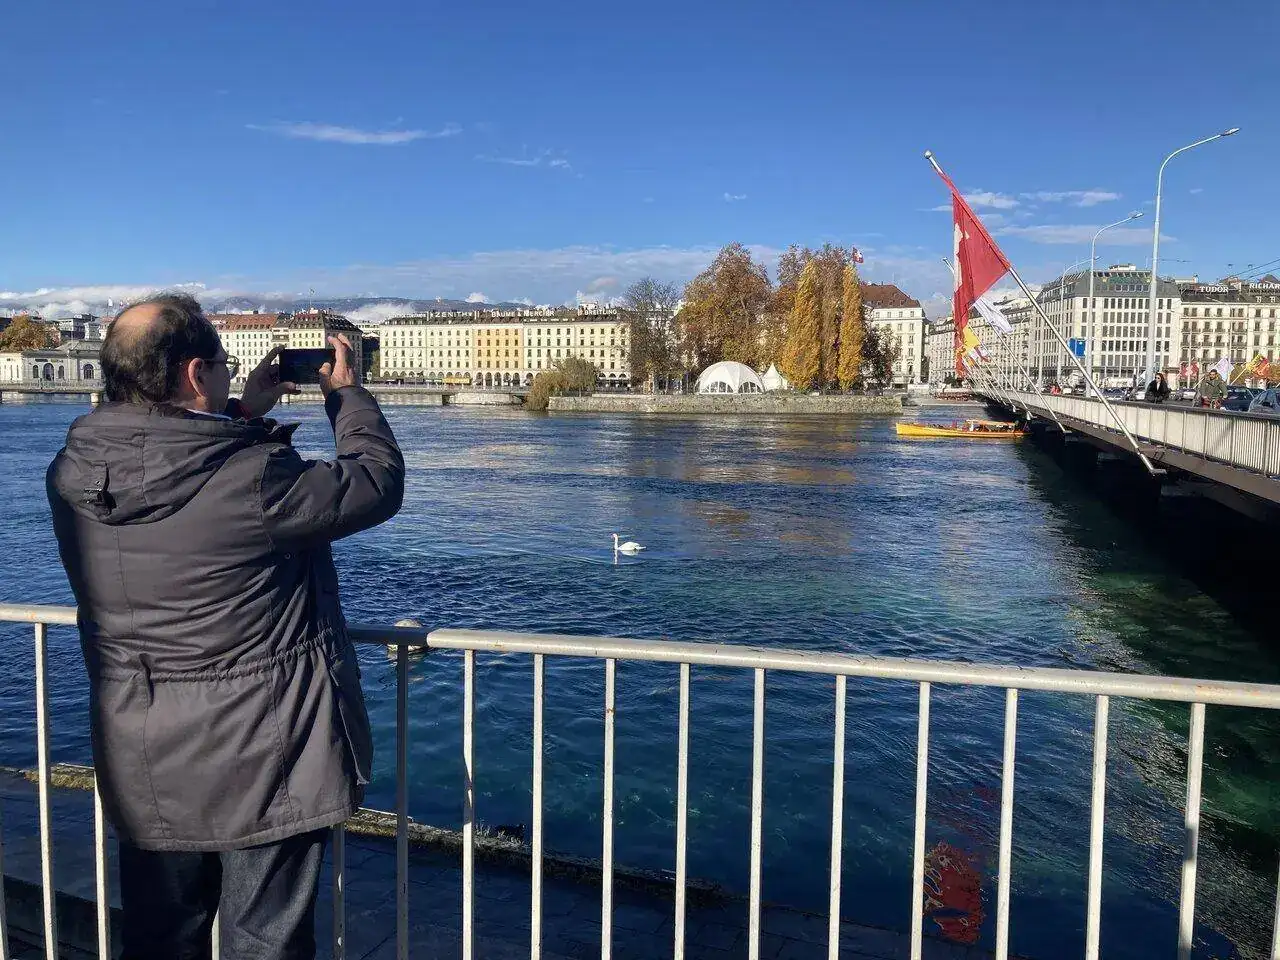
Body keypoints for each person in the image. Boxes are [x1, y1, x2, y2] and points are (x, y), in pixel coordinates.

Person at [46, 293, 405, 959]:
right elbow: (375, 482)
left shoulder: (72, 474)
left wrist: (238, 413)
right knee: (263, 943)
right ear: (194, 374)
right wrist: (347, 397)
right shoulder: (255, 476)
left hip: (142, 754)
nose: (228, 374)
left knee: (160, 940)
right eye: (222, 366)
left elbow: (172, 474)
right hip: (264, 755)